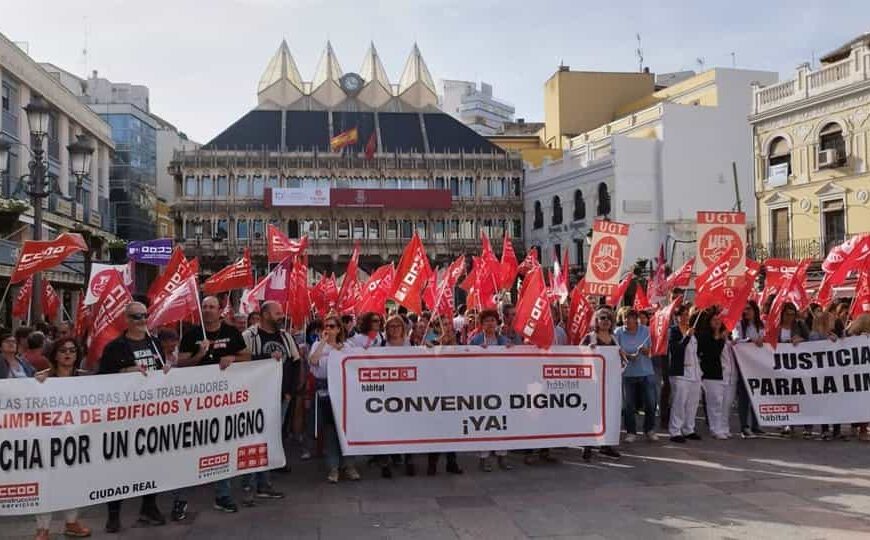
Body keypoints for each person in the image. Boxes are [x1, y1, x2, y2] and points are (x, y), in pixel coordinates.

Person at [98, 302, 166, 533]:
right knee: (119, 466)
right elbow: (101, 379)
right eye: (136, 316)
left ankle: (149, 506)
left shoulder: (155, 343)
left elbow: (159, 370)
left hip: (151, 413)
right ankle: (114, 514)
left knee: (151, 462)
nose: (141, 320)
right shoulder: (115, 347)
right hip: (123, 417)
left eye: (144, 316)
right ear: (126, 319)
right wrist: (124, 372)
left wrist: (166, 371)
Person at [178, 296, 251, 512]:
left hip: (225, 400)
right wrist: (198, 355)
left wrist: (232, 359)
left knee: (223, 444)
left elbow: (247, 356)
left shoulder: (231, 332)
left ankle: (223, 494)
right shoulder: (191, 334)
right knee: (191, 446)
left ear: (220, 310)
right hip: (197, 401)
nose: (208, 310)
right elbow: (181, 363)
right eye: (205, 307)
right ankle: (180, 498)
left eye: (212, 307)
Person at [33, 338, 91, 540]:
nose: (68, 354)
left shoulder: (85, 378)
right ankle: (43, 529)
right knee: (45, 483)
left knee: (73, 481)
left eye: (72, 350)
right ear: (54, 354)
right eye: (63, 350)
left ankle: (71, 522)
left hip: (75, 440)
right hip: (48, 440)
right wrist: (34, 384)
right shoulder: (42, 379)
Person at [242, 300, 298, 495]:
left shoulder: (285, 337)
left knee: (271, 439)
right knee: (252, 438)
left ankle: (264, 483)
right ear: (265, 315)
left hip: (280, 398)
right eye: (278, 313)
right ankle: (248, 481)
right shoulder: (250, 336)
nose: (281, 316)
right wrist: (265, 359)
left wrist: (290, 392)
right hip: (255, 398)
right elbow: (241, 361)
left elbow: (295, 363)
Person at [308, 314, 360, 483]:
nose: (328, 329)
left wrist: (340, 351)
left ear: (339, 329)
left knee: (347, 431)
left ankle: (349, 465)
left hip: (345, 393)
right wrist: (323, 343)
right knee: (330, 431)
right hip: (326, 392)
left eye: (332, 326)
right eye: (326, 326)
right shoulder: (317, 345)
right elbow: (313, 361)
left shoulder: (348, 346)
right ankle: (333, 468)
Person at [580, 309, 622, 460]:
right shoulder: (589, 337)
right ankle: (587, 446)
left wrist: (626, 355)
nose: (606, 321)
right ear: (596, 321)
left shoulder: (614, 338)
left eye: (609, 319)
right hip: (593, 383)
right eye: (602, 318)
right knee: (592, 415)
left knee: (608, 413)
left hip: (610, 383)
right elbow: (577, 355)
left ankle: (606, 445)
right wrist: (587, 351)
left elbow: (620, 357)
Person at [426, 317, 464, 475]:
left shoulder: (459, 344)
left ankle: (451, 461)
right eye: (443, 325)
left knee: (452, 427)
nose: (447, 327)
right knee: (436, 428)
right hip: (435, 391)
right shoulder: (430, 342)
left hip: (454, 390)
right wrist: (440, 343)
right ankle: (432, 462)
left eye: (449, 324)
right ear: (436, 327)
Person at [615, 309, 657, 442]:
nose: (627, 321)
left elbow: (653, 350)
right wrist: (627, 356)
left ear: (636, 319)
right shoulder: (618, 332)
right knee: (629, 405)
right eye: (625, 318)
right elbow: (616, 350)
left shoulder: (645, 330)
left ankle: (649, 429)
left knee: (651, 403)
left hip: (646, 372)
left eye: (630, 318)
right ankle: (631, 432)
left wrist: (646, 351)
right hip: (628, 374)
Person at [697, 309, 736, 440]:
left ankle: (724, 427)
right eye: (714, 320)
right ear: (709, 322)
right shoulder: (705, 336)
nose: (717, 322)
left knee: (725, 403)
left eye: (719, 319)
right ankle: (715, 429)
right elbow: (713, 352)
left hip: (726, 374)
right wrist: (720, 339)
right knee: (715, 403)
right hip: (711, 374)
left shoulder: (726, 336)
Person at [668, 304, 702, 443]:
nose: (685, 317)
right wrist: (687, 337)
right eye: (682, 314)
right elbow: (676, 350)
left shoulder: (692, 330)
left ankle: (689, 428)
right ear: (676, 317)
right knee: (679, 402)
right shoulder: (674, 331)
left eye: (687, 314)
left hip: (694, 371)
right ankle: (675, 430)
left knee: (693, 402)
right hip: (680, 372)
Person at [732, 301, 764, 438]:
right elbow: (736, 340)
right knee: (744, 397)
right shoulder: (739, 325)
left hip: (758, 366)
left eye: (749, 309)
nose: (746, 312)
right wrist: (750, 341)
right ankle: (744, 426)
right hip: (744, 367)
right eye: (744, 309)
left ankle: (756, 425)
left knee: (757, 395)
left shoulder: (761, 325)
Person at [777, 302, 808, 438]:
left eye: (792, 314)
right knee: (785, 395)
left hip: (799, 366)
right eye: (787, 314)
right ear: (782, 314)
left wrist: (801, 339)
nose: (790, 317)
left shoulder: (800, 325)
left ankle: (807, 425)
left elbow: (811, 339)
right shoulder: (776, 327)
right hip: (781, 366)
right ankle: (788, 423)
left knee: (801, 394)